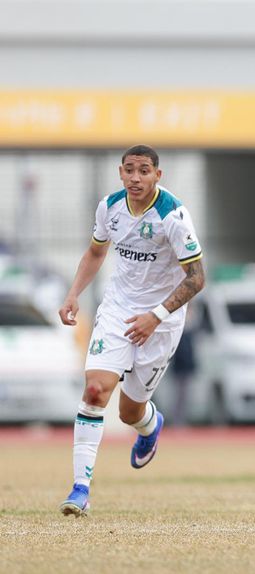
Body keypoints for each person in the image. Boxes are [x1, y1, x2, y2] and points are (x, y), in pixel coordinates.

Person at [57, 144, 205, 517]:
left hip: (162, 321)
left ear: (158, 174)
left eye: (143, 171)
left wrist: (155, 316)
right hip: (118, 312)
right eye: (128, 170)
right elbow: (95, 252)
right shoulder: (110, 207)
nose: (135, 178)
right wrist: (74, 293)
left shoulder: (173, 215)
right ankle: (80, 490)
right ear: (120, 173)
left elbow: (197, 277)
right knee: (94, 391)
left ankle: (150, 425)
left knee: (129, 411)